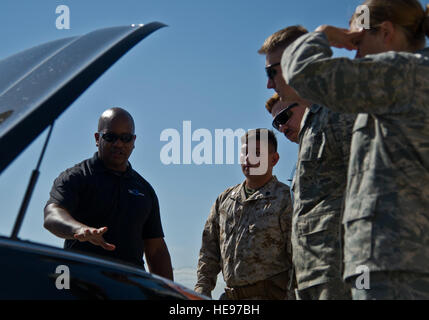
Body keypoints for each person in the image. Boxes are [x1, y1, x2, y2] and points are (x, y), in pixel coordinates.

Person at [281, 0, 429, 299]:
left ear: (386, 33)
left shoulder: (404, 72)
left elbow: (303, 73)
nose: (355, 53)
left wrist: (323, 36)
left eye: (358, 41)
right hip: (394, 260)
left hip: (396, 264)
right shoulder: (405, 81)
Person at [260, 27, 356, 300]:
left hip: (343, 272)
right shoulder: (315, 126)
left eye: (271, 72)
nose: (269, 83)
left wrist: (322, 36)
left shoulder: (340, 111)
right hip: (315, 275)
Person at [44, 107, 173, 280]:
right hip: (80, 283)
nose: (118, 144)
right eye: (110, 137)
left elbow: (156, 249)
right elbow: (52, 215)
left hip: (129, 289)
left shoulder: (144, 190)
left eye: (125, 138)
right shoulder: (76, 177)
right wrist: (80, 229)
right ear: (98, 139)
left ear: (133, 141)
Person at [194, 129, 294, 300]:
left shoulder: (286, 199)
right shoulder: (225, 200)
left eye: (257, 153)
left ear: (274, 159)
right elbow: (209, 252)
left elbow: (298, 258)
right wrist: (201, 291)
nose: (248, 159)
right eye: (244, 153)